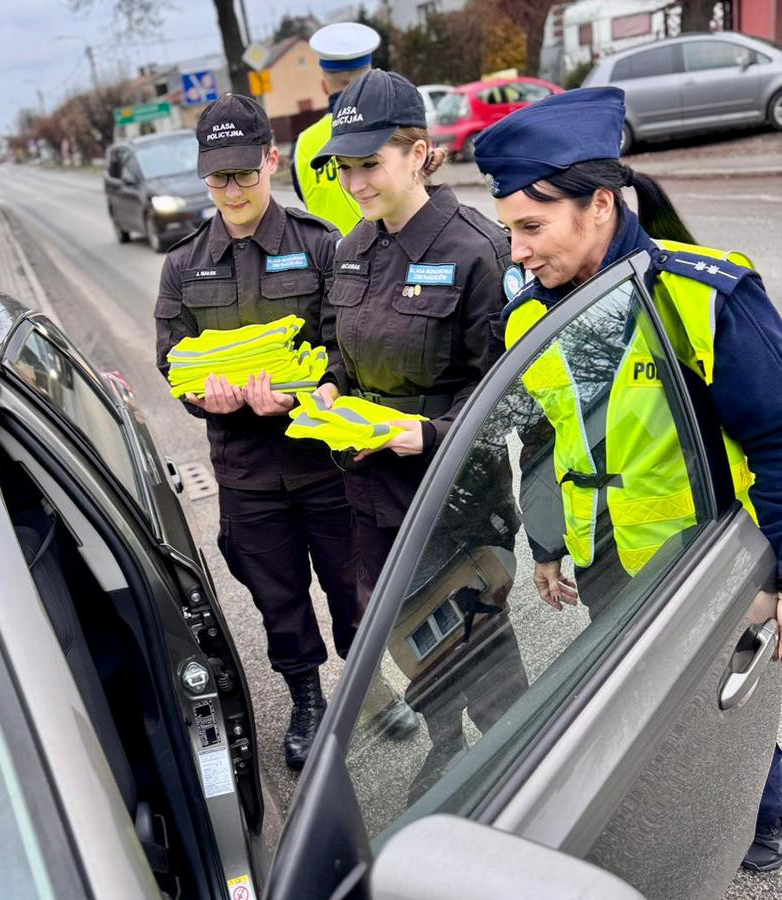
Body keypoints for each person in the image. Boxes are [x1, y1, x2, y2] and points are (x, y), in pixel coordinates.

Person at [472, 85, 782, 873]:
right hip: (608, 572)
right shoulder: (527, 318)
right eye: (509, 230)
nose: (516, 251)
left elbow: (778, 441)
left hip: (706, 572)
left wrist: (772, 580)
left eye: (531, 227)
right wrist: (547, 546)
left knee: (726, 716)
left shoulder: (702, 297)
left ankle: (764, 821)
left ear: (601, 204)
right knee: (648, 725)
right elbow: (542, 440)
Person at [308, 69, 529, 762]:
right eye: (343, 168)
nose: (354, 184)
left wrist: (428, 435)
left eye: (369, 164)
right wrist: (329, 387)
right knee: (412, 641)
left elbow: (512, 391)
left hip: (453, 495)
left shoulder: (478, 249)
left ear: (418, 153)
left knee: (481, 648)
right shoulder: (351, 250)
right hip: (372, 493)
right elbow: (339, 348)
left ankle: (517, 772)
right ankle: (445, 755)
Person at [154, 94, 362, 771]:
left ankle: (367, 692)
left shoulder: (319, 245)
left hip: (324, 462)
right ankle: (307, 702)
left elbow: (346, 348)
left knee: (353, 588)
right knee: (277, 598)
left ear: (271, 160)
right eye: (219, 177)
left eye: (244, 173)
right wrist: (203, 398)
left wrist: (305, 391)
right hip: (245, 472)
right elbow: (171, 359)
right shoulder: (183, 263)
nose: (233, 190)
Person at [290, 22, 379, 235]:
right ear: (373, 79)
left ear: (324, 86)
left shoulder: (302, 144)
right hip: (392, 253)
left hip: (331, 254)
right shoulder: (390, 127)